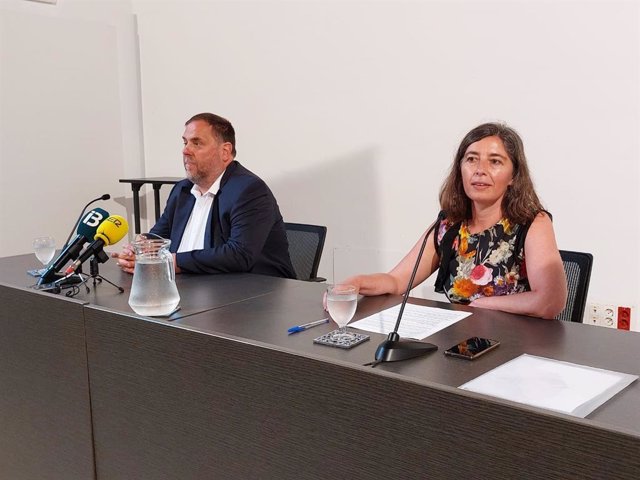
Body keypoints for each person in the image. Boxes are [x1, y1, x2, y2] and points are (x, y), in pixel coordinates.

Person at [342, 122, 567, 319]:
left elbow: (550, 301)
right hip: (457, 344)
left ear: (514, 176)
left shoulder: (532, 223)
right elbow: (397, 281)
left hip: (512, 345)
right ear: (460, 169)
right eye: (471, 159)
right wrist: (356, 282)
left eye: (495, 161)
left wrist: (479, 305)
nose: (480, 170)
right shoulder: (449, 226)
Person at [113, 112, 295, 278]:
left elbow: (239, 255)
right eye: (185, 142)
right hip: (189, 287)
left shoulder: (249, 190)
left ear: (225, 151)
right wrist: (140, 249)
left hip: (252, 296)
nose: (185, 150)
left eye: (196, 143)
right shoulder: (182, 190)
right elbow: (159, 236)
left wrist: (171, 262)